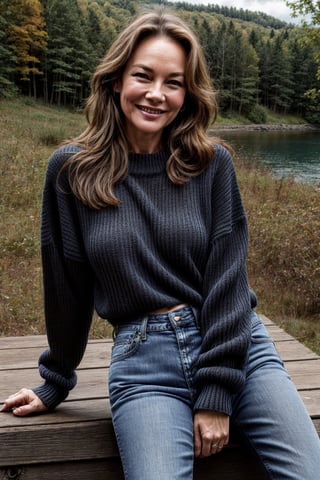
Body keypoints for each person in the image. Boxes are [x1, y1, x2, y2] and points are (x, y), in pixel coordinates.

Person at [1, 11, 319, 480]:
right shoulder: (70, 170)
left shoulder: (212, 164)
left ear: (187, 94)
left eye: (174, 82)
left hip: (237, 349)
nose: (156, 94)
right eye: (143, 76)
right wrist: (56, 381)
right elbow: (66, 288)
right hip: (144, 364)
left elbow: (229, 283)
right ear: (115, 81)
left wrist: (215, 396)